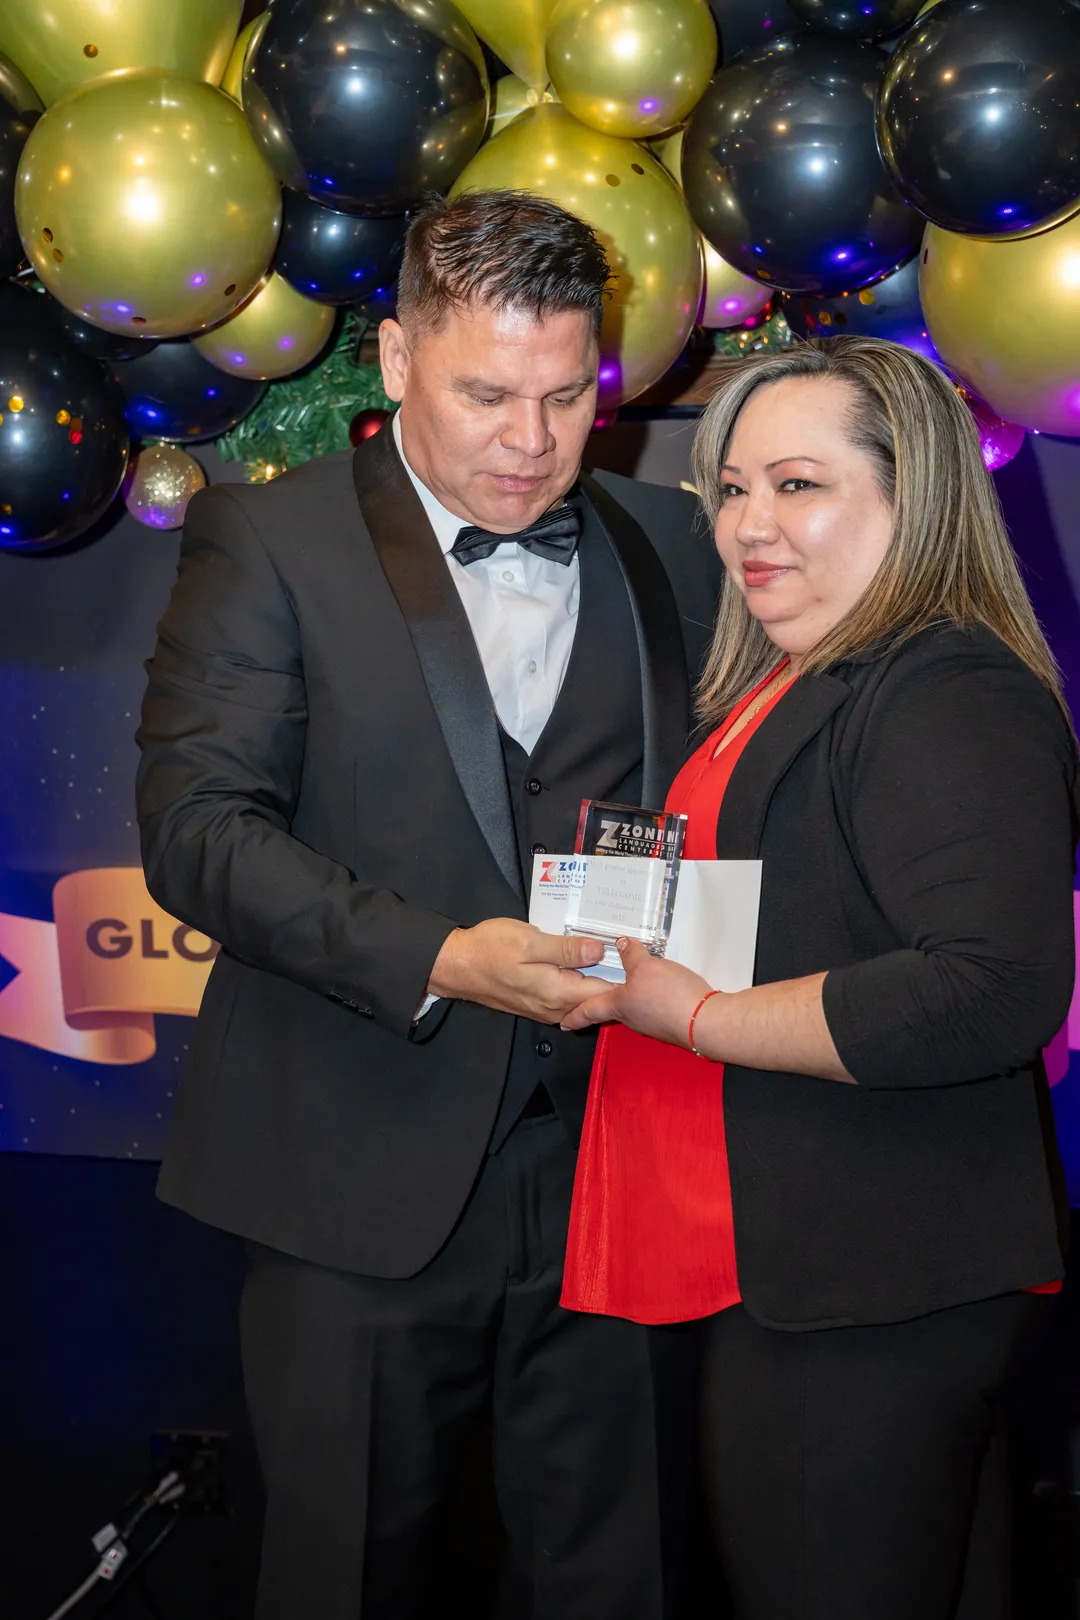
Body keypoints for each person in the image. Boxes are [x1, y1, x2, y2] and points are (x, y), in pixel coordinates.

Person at [135, 190, 722, 1620]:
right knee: (348, 1584)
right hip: (355, 1173)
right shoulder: (266, 543)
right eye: (487, 395)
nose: (532, 442)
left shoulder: (682, 542)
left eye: (569, 396)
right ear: (396, 361)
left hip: (614, 1173)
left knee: (618, 1580)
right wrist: (442, 956)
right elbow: (199, 832)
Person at [559, 335, 1077, 1620]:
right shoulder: (804, 679)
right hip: (812, 1268)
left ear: (917, 499)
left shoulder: (945, 683)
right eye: (731, 489)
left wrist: (699, 1014)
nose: (747, 524)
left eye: (798, 485)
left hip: (878, 1282)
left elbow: (990, 988)